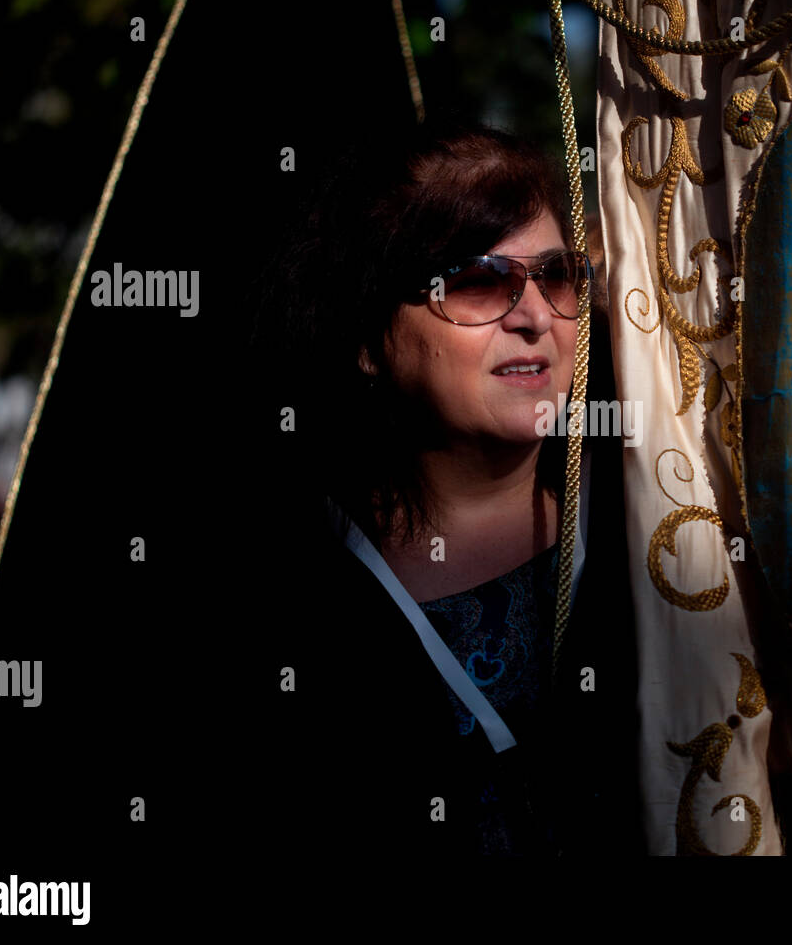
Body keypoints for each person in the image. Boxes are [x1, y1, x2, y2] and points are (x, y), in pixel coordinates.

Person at [241, 119, 642, 856]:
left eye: (556, 276)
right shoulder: (282, 603)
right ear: (366, 337)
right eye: (477, 280)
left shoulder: (655, 541)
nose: (532, 318)